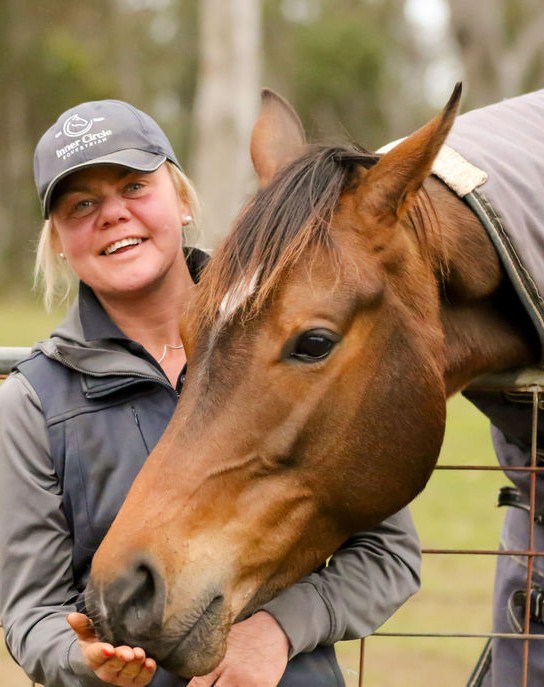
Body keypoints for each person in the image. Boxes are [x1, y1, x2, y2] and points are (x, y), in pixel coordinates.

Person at [0, 99, 422, 687]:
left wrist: (276, 631)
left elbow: (388, 554)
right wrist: (83, 662)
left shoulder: (296, 350)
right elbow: (30, 612)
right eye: (82, 205)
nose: (113, 214)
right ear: (59, 242)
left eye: (134, 186)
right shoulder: (31, 404)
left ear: (181, 200)